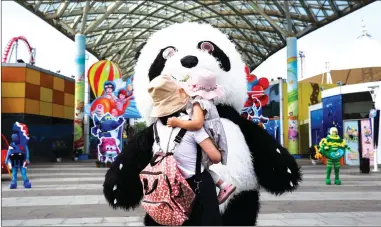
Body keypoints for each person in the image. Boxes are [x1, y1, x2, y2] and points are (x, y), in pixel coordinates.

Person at [146, 75, 222, 226]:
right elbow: (216, 157)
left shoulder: (156, 127)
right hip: (196, 187)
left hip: (168, 190)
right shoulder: (191, 125)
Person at [167, 68, 236, 204]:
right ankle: (224, 186)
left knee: (198, 167)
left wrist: (178, 122)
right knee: (202, 168)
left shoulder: (199, 103)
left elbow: (197, 124)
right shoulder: (209, 102)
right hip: (213, 136)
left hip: (207, 138)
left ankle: (223, 185)